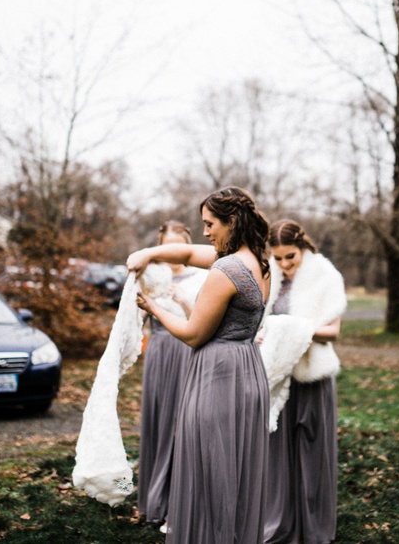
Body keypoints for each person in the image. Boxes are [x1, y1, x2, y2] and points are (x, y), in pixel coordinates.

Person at [127, 187, 271, 543]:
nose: (205, 231)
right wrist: (150, 253)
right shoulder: (258, 261)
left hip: (217, 375)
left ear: (231, 221)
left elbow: (193, 334)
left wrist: (154, 307)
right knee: (234, 472)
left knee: (207, 470)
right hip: (248, 371)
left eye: (210, 224)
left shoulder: (226, 269)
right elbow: (189, 252)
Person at [260, 219, 345, 544]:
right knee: (278, 454)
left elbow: (332, 331)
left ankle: (314, 529)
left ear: (303, 247)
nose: (284, 264)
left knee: (312, 454)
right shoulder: (271, 275)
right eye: (278, 257)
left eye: (290, 257)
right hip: (279, 375)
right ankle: (280, 524)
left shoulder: (325, 276)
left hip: (312, 376)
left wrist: (288, 328)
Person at [137, 220, 207, 528]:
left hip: (186, 353)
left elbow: (202, 322)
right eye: (167, 247)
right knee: (158, 422)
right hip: (158, 354)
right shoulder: (151, 278)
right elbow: (138, 319)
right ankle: (154, 498)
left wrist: (182, 300)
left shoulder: (202, 277)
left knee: (182, 426)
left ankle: (179, 502)